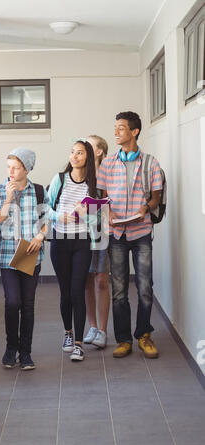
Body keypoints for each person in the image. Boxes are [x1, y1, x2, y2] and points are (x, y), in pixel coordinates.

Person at [97, 112, 162, 359]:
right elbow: (102, 196)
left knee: (145, 287)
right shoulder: (108, 163)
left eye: (121, 128)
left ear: (134, 132)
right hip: (117, 233)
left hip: (142, 231)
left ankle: (144, 334)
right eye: (115, 128)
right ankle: (123, 339)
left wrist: (146, 208)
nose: (116, 132)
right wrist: (110, 212)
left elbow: (156, 196)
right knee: (119, 289)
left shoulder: (150, 163)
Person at [0, 148, 49, 371]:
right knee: (12, 302)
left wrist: (40, 237)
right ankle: (10, 348)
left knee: (28, 305)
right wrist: (8, 198)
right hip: (7, 256)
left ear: (27, 168)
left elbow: (47, 218)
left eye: (15, 167)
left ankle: (25, 353)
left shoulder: (39, 192)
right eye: (8, 167)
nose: (11, 172)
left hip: (30, 254)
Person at [48, 139, 97, 362]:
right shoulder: (59, 179)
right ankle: (68, 333)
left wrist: (85, 212)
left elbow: (97, 218)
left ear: (87, 157)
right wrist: (60, 216)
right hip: (60, 240)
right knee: (65, 292)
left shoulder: (93, 184)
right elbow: (45, 209)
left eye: (79, 153)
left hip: (81, 242)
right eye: (72, 152)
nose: (74, 156)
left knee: (77, 291)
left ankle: (78, 344)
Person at [84, 135, 110, 349]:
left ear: (100, 151)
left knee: (101, 280)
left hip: (103, 232)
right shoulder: (79, 173)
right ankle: (92, 326)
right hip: (82, 232)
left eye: (89, 145)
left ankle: (103, 330)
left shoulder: (108, 172)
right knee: (86, 280)